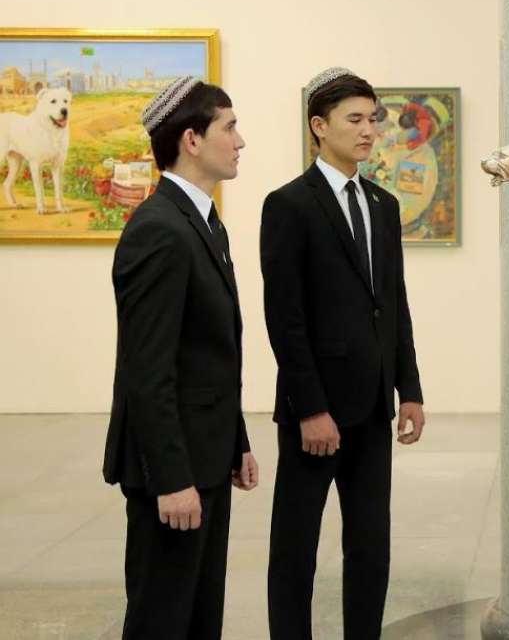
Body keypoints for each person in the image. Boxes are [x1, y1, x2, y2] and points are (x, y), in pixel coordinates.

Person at [262, 67, 425, 639]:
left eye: (372, 119)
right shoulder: (289, 205)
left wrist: (409, 390)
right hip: (316, 413)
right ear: (319, 125)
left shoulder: (383, 204)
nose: (367, 130)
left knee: (370, 547)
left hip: (373, 409)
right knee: (296, 550)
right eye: (354, 119)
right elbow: (285, 319)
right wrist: (310, 408)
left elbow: (393, 304)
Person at [103, 76, 257, 640]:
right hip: (172, 471)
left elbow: (209, 354)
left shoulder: (203, 222)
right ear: (191, 139)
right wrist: (171, 479)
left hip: (206, 455)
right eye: (229, 127)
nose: (240, 141)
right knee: (162, 620)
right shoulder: (160, 229)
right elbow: (147, 370)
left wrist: (236, 440)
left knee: (199, 619)